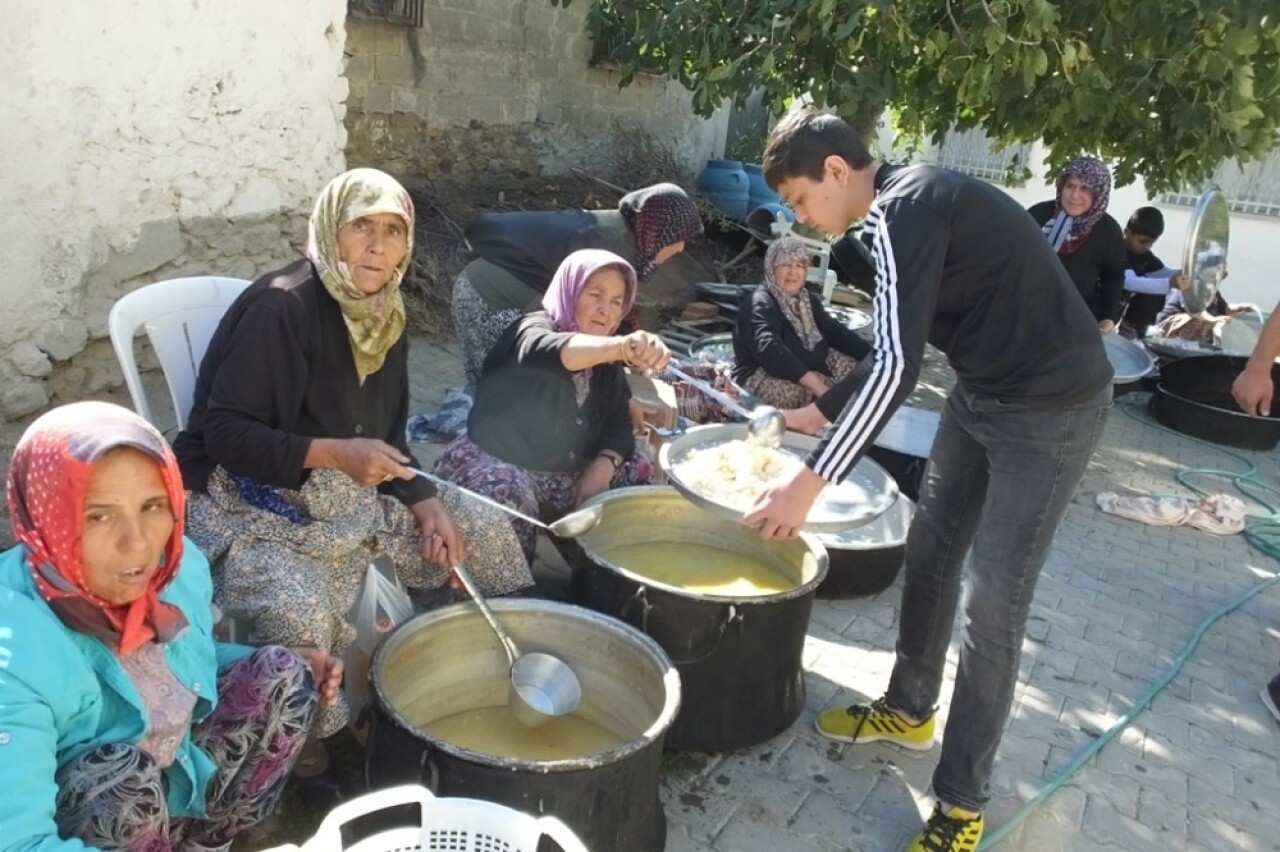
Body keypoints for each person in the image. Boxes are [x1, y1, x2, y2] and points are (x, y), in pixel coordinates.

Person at [745, 111, 1112, 852]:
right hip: (983, 392)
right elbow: (890, 349)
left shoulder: (903, 210)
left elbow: (894, 372)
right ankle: (909, 709)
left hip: (1053, 410)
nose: (799, 219)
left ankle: (960, 804)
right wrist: (817, 409)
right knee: (932, 551)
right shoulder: (897, 214)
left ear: (838, 173)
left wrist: (807, 485)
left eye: (800, 199)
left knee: (993, 606)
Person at [173, 168, 530, 751]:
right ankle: (315, 751)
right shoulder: (280, 307)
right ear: (329, 229)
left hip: (344, 495)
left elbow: (390, 437)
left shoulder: (385, 316)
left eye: (392, 230)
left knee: (480, 527)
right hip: (245, 500)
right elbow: (223, 433)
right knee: (300, 606)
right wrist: (335, 453)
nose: (377, 244)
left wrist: (425, 500)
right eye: (361, 225)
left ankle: (480, 664)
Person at [0, 401, 342, 852]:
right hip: (98, 820)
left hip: (174, 772)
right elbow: (19, 842)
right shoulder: (15, 650)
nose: (138, 542)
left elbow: (185, 660)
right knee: (113, 777)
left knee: (281, 674)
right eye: (98, 515)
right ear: (47, 518)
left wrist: (283, 660)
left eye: (152, 506)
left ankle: (210, 843)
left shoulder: (174, 569)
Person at [436, 249, 667, 565]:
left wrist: (603, 467)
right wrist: (622, 347)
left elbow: (617, 424)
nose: (606, 310)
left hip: (565, 472)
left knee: (635, 469)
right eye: (595, 294)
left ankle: (605, 568)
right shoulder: (529, 331)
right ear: (570, 290)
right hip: (503, 463)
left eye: (616, 302)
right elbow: (553, 351)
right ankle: (506, 589)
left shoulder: (606, 355)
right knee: (505, 490)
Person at [452, 183, 703, 384]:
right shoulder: (612, 243)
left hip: (484, 285)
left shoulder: (620, 231)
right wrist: (639, 359)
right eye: (678, 237)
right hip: (488, 296)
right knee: (509, 383)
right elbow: (597, 332)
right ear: (659, 228)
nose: (680, 247)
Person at [732, 235, 871, 409]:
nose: (793, 272)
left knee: (862, 372)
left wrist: (875, 357)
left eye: (799, 265)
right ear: (771, 268)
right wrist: (817, 385)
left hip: (808, 365)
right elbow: (771, 350)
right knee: (791, 393)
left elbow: (836, 333)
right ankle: (815, 415)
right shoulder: (760, 303)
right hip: (762, 376)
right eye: (786, 265)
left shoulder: (806, 300)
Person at [1027, 157, 1126, 333]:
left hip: (1074, 323)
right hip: (1026, 314)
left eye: (1085, 188)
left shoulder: (1108, 231)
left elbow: (1113, 277)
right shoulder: (1038, 215)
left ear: (1099, 192)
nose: (1075, 196)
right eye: (1070, 186)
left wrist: (1108, 317)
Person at [1117, 206, 1189, 339]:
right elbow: (1129, 281)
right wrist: (1170, 284)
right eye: (1142, 241)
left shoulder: (1145, 257)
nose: (1147, 246)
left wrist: (1190, 275)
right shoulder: (1117, 251)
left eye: (1151, 243)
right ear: (1127, 233)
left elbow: (1163, 273)